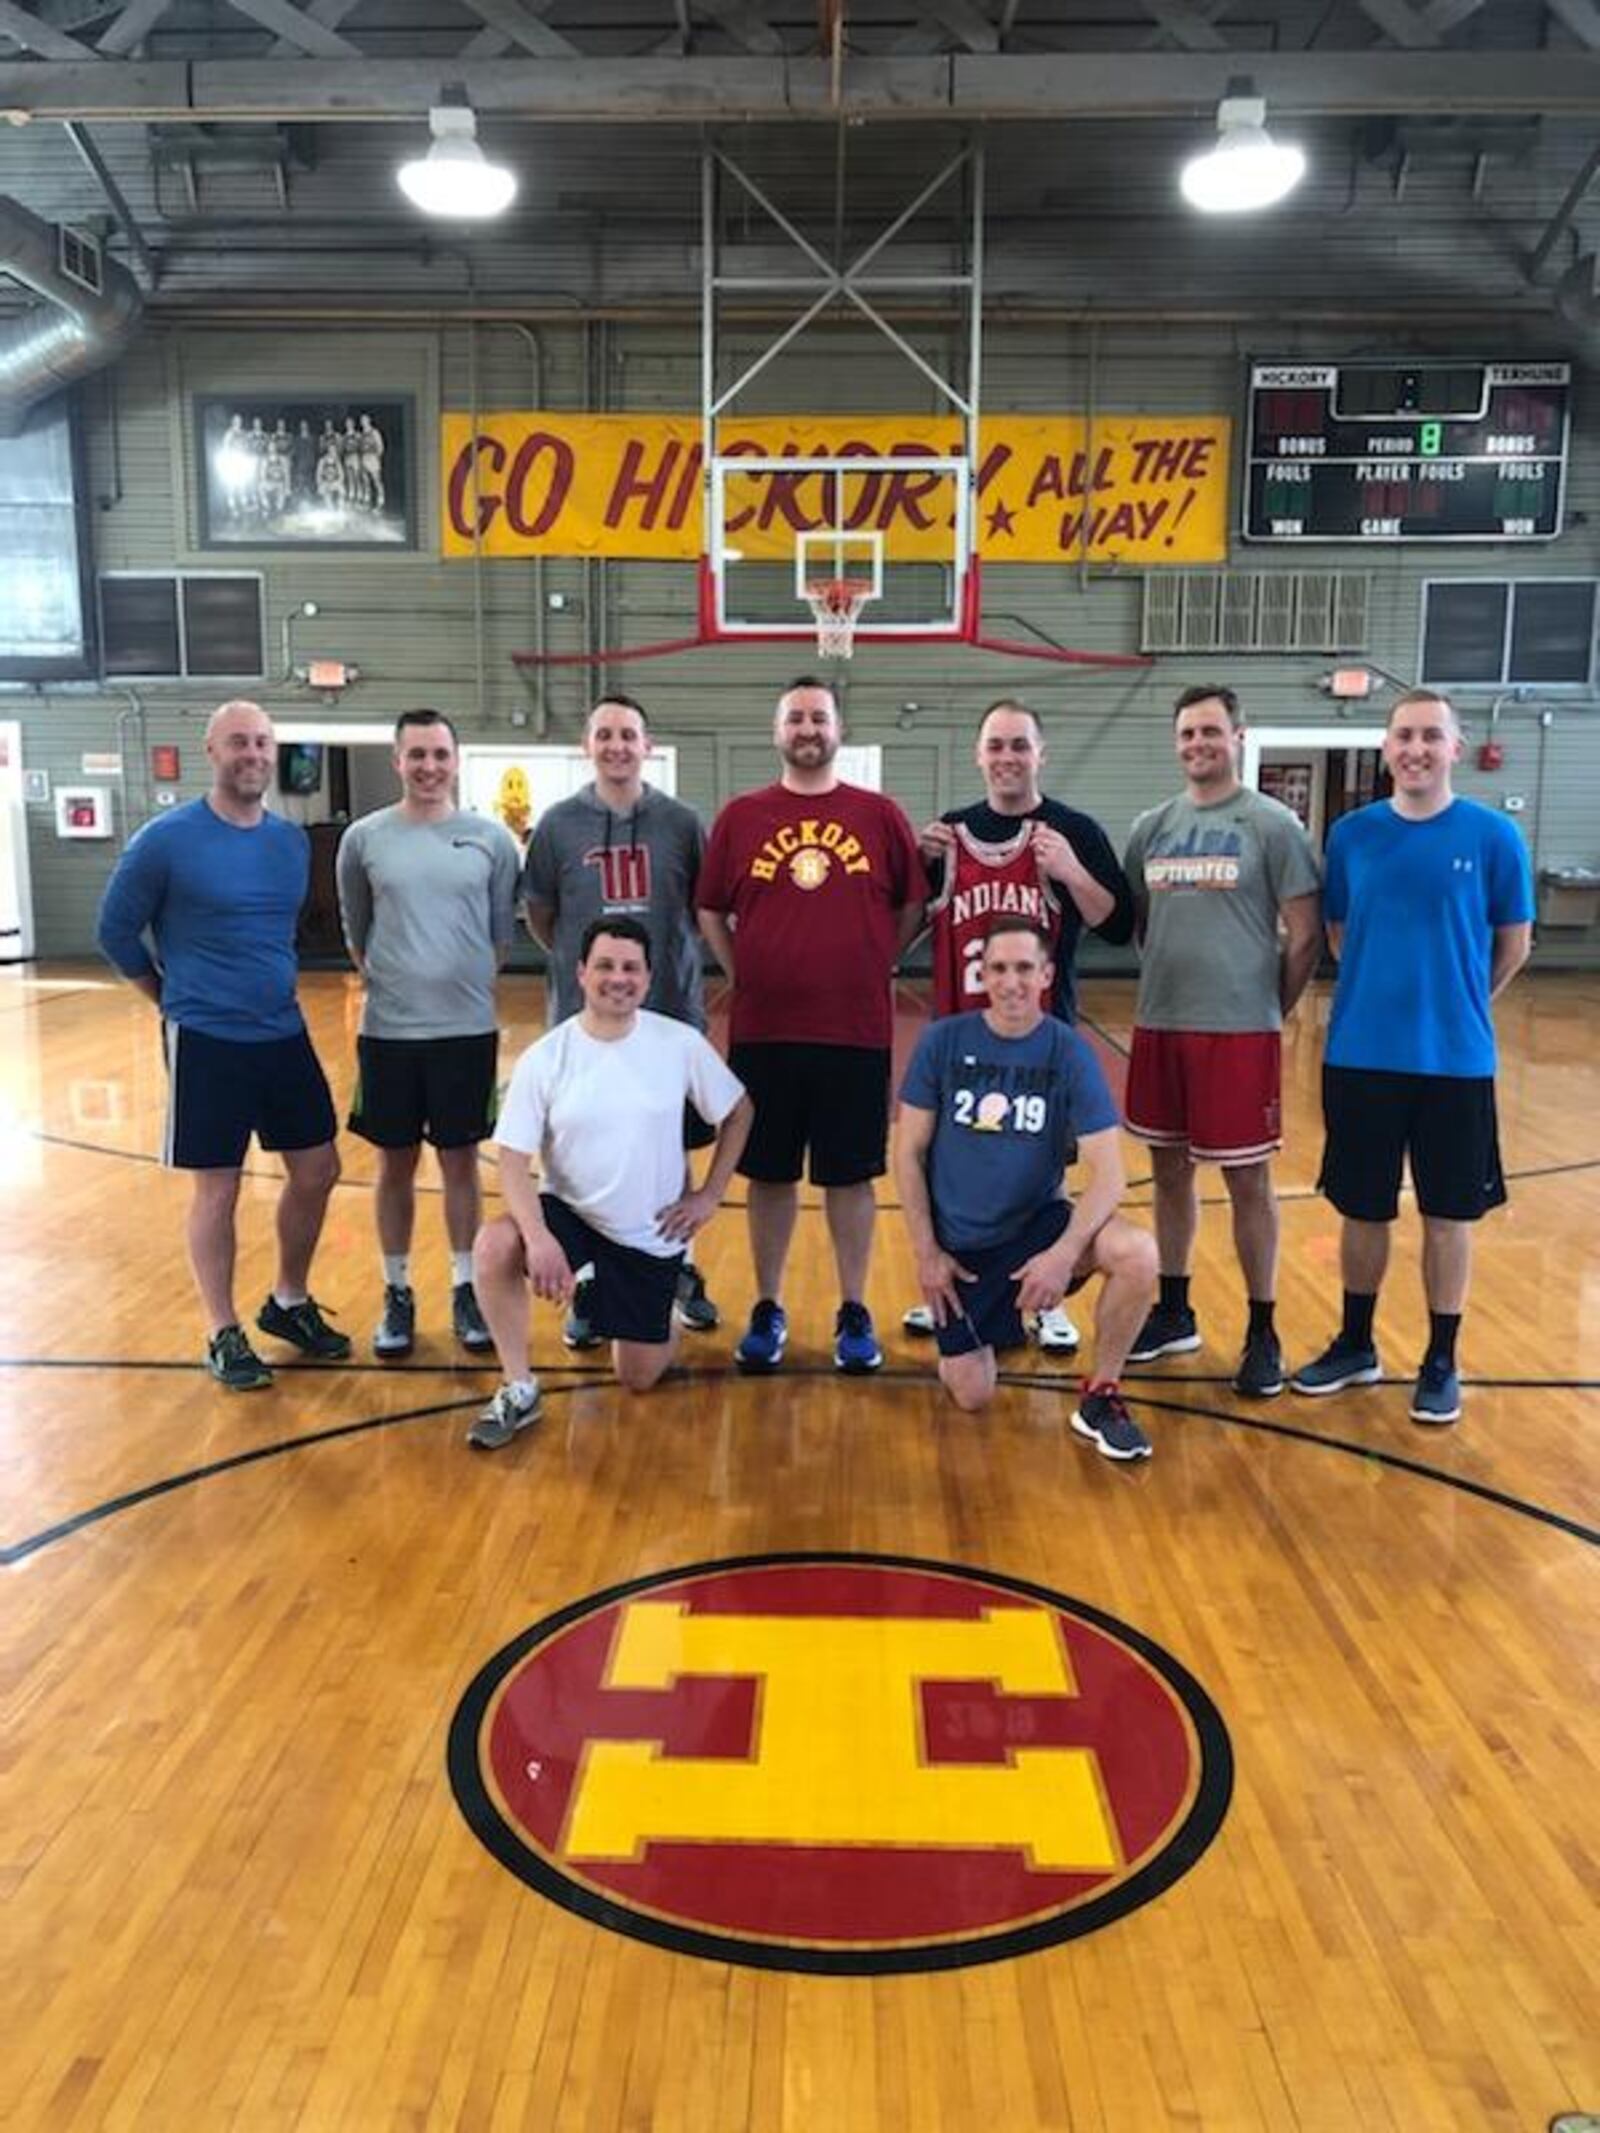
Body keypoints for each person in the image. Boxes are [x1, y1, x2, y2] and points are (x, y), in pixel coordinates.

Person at [1291, 688, 1534, 1424]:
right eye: (1404, 735)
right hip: (1361, 1055)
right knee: (1362, 1208)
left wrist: (1454, 1001)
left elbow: (1512, 946)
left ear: (1455, 747)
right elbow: (1338, 934)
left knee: (1447, 1214)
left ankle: (1440, 1358)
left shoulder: (1494, 837)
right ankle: (1357, 1344)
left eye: (1432, 735)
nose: (1416, 748)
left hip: (1456, 1062)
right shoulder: (1351, 836)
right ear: (1386, 747)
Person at [95, 699, 351, 1390]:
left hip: (282, 1029)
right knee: (220, 1187)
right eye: (239, 741)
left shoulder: (289, 843)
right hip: (206, 1036)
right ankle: (221, 1327)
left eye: (263, 743)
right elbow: (115, 931)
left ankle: (288, 1301)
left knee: (319, 1168)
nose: (254, 754)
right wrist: (167, 998)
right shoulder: (165, 840)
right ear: (211, 750)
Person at [698, 677, 927, 1375]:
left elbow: (913, 902)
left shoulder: (879, 813)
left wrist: (876, 961)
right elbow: (709, 908)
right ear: (778, 732)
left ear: (837, 729)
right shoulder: (741, 817)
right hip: (764, 1031)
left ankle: (853, 1307)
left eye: (818, 716)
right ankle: (768, 1305)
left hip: (855, 1030)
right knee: (767, 1175)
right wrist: (740, 973)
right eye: (794, 716)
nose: (807, 727)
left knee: (850, 1177)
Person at [468, 918, 753, 1450]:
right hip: (570, 1213)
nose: (617, 978)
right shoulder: (548, 1056)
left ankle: (636, 1299)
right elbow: (511, 1159)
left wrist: (709, 1194)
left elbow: (739, 1113)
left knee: (638, 1377)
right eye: (605, 965)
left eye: (630, 968)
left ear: (647, 980)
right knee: (494, 1245)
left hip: (647, 1232)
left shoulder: (678, 1043)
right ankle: (519, 1386)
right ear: (580, 973)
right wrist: (538, 1237)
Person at [906, 696, 1136, 1354]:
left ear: (1041, 753)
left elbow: (1117, 927)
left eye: (1019, 745)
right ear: (979, 754)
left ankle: (1047, 1298)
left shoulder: (1073, 831)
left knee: (1044, 1166)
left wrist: (1069, 871)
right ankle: (947, 1283)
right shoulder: (949, 835)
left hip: (1043, 1033)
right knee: (955, 1164)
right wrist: (920, 868)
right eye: (997, 745)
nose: (1008, 757)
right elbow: (904, 929)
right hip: (959, 1037)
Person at [1121, 684, 1323, 1398]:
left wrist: (1269, 1005)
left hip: (1238, 1033)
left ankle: (1262, 1328)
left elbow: (1304, 936)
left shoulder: (1272, 824)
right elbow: (1142, 924)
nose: (1198, 744)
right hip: (1162, 1023)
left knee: (1248, 1182)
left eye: (1211, 731)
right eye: (1187, 733)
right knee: (1169, 1174)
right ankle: (1175, 1309)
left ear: (1237, 736)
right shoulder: (1152, 826)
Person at [894, 919, 1158, 1456]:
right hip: (963, 1250)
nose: (1011, 982)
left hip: (1038, 1228)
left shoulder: (1067, 1050)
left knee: (1137, 1253)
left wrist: (1063, 1254)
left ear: (1046, 974)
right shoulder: (943, 1041)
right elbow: (908, 1152)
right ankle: (990, 1324)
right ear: (981, 974)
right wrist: (927, 1252)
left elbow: (1110, 1174)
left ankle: (1102, 1393)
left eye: (1023, 969)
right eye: (998, 968)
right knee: (972, 1393)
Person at [520, 693, 721, 1344]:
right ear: (588, 745)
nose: (616, 746)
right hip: (586, 1018)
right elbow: (543, 917)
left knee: (670, 1148)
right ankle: (588, 1281)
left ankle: (677, 1265)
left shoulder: (683, 823)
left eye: (627, 735)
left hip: (668, 1010)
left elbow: (705, 911)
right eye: (604, 734)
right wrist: (593, 978)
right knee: (574, 1147)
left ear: (646, 745)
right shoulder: (556, 825)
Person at [336, 708, 521, 1359]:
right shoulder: (363, 838)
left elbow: (501, 936)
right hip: (389, 1034)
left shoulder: (492, 839)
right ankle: (397, 1290)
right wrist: (402, 982)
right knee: (394, 1164)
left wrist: (456, 985)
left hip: (466, 1032)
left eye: (439, 754)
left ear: (456, 759)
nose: (429, 766)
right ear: (397, 760)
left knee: (461, 1162)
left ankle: (465, 1286)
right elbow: (357, 932)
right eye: (416, 754)